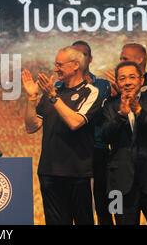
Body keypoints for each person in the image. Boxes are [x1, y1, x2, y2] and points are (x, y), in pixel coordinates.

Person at [22, 46, 102, 225]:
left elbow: (75, 123)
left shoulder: (90, 92)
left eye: (60, 65)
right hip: (49, 172)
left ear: (75, 65)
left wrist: (52, 96)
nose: (56, 69)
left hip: (78, 173)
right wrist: (32, 98)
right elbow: (31, 126)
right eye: (55, 64)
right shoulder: (54, 91)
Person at [101, 61, 147, 225]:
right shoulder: (109, 107)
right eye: (122, 78)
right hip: (117, 185)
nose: (127, 82)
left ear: (141, 80)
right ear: (117, 82)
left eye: (132, 77)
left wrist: (138, 110)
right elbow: (105, 137)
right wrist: (121, 115)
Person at [70, 41, 113, 225]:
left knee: (104, 205)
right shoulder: (59, 86)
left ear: (90, 59)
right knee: (78, 207)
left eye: (84, 54)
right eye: (75, 54)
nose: (80, 58)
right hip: (73, 153)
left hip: (99, 149)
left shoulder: (103, 85)